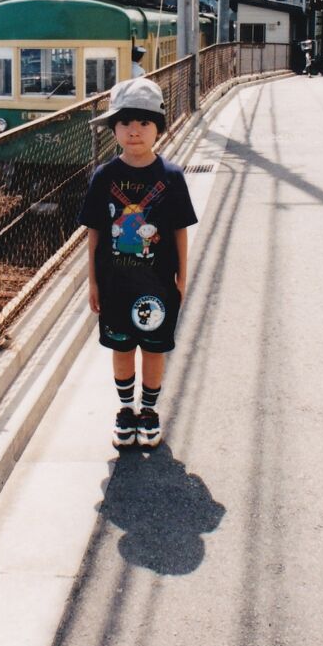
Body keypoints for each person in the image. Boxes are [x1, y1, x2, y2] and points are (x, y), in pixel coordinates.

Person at [79, 78, 197, 449]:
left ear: (157, 128)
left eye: (144, 122)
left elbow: (179, 231)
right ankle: (126, 410)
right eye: (126, 122)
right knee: (122, 347)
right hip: (114, 286)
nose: (134, 131)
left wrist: (183, 277)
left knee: (155, 348)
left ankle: (149, 411)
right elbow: (95, 232)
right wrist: (92, 282)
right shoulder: (104, 177)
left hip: (158, 284)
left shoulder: (172, 177)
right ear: (114, 128)